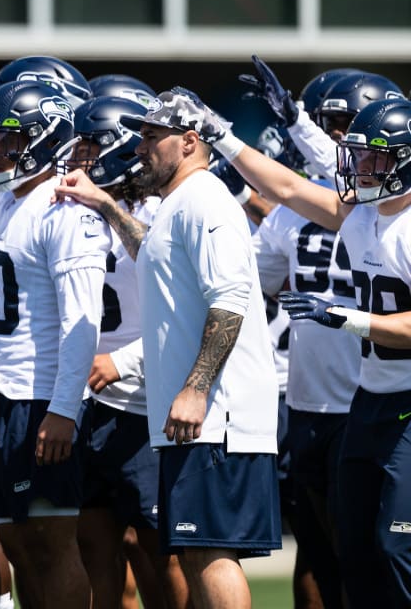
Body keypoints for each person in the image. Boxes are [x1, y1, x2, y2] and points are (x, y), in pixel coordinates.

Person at [54, 89, 282, 609]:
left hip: (217, 416)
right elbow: (152, 253)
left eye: (153, 137)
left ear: (189, 141)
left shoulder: (205, 198)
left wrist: (196, 391)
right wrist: (107, 205)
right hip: (196, 417)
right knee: (199, 552)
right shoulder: (180, 203)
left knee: (210, 552)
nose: (140, 148)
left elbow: (230, 300)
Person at [204, 85, 411, 605]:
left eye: (372, 157)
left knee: (397, 547)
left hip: (407, 404)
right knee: (354, 550)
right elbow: (288, 188)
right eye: (357, 155)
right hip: (370, 400)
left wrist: (345, 317)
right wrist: (220, 137)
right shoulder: (363, 214)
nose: (358, 165)